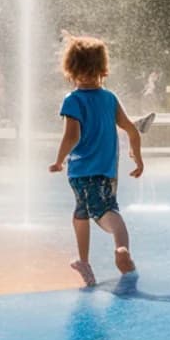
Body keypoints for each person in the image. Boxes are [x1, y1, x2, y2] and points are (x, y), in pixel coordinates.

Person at [49, 36, 146, 287]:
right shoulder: (109, 98)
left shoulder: (73, 100)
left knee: (93, 212)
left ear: (70, 68)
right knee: (97, 210)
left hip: (80, 171)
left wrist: (59, 160)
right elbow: (132, 130)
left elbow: (72, 135)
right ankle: (105, 253)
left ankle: (103, 254)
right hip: (105, 171)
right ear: (103, 68)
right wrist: (137, 157)